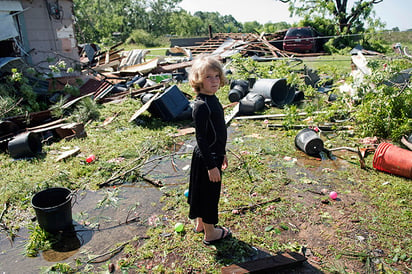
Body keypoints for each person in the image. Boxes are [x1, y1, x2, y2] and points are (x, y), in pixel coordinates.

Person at [187, 54, 231, 245]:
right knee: (209, 195)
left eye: (216, 76)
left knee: (199, 191)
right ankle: (210, 233)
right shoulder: (202, 105)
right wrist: (211, 165)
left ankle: (200, 224)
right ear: (198, 80)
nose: (213, 81)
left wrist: (223, 152)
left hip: (213, 155)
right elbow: (201, 138)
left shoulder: (213, 99)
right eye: (207, 77)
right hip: (207, 158)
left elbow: (218, 133)